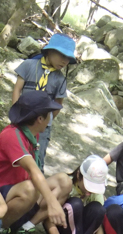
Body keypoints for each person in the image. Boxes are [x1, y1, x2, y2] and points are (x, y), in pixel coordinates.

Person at [0, 90, 71, 234]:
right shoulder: (12, 135)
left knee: (64, 182)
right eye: (49, 114)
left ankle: (24, 227)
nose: (52, 117)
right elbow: (33, 170)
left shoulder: (32, 133)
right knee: (30, 189)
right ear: (40, 119)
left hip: (18, 194)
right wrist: (52, 203)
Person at [12, 33, 76, 172]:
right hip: (22, 118)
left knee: (37, 156)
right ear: (50, 51)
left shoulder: (60, 79)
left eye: (68, 58)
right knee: (17, 151)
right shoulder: (29, 65)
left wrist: (46, 121)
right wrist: (16, 113)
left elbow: (58, 103)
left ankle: (35, 187)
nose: (65, 61)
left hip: (43, 126)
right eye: (62, 56)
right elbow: (17, 89)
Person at [46, 155, 107, 234]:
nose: (90, 192)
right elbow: (48, 220)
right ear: (79, 175)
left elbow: (99, 227)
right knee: (76, 203)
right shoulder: (67, 186)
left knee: (99, 209)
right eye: (88, 185)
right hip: (62, 229)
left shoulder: (95, 194)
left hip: (81, 232)